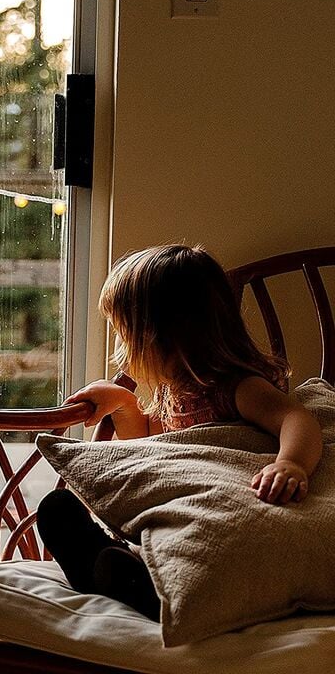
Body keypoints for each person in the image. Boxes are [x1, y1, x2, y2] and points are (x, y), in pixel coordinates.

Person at [37, 244, 323, 620]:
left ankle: (151, 591)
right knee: (57, 509)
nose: (118, 351)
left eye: (125, 336)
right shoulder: (177, 392)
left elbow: (295, 418)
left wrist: (291, 464)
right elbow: (154, 450)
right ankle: (119, 571)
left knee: (206, 541)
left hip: (220, 510)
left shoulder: (235, 387)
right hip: (183, 511)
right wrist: (124, 403)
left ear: (162, 335)